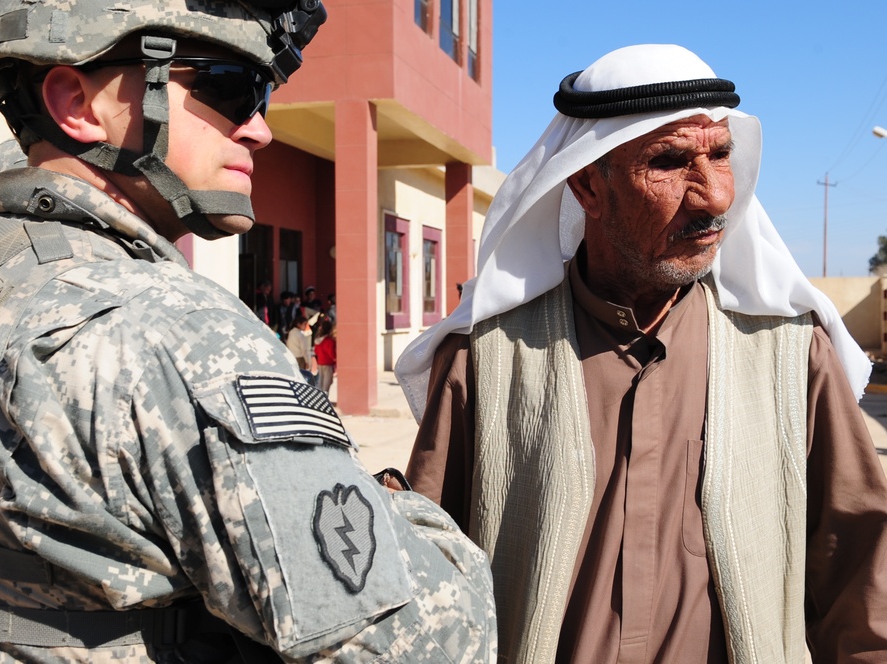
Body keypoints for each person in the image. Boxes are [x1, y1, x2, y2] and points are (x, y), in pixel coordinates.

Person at [0, 1, 497, 661]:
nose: (260, 129)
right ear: (76, 103)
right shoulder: (172, 331)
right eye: (228, 88)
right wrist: (402, 512)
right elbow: (431, 641)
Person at [395, 44, 887, 663]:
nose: (713, 197)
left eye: (720, 156)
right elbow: (428, 576)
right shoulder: (487, 360)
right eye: (671, 161)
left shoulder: (790, 355)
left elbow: (861, 573)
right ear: (586, 186)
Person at [286, 312, 316, 384]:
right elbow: (304, 349)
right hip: (300, 358)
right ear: (299, 324)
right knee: (302, 378)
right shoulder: (300, 334)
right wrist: (307, 361)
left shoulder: (291, 332)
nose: (305, 326)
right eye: (304, 324)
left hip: (292, 357)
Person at [313, 317, 337, 394]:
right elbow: (331, 352)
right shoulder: (329, 341)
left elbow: (316, 351)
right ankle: (325, 396)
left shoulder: (318, 340)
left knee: (321, 381)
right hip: (328, 363)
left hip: (320, 362)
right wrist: (335, 358)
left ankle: (320, 396)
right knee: (327, 382)